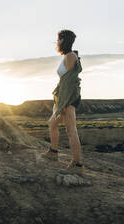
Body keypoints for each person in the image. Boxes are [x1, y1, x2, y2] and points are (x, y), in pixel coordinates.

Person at [41, 29, 84, 176]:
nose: (57, 42)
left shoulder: (70, 56)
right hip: (63, 97)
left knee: (71, 130)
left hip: (69, 98)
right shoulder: (68, 56)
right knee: (52, 123)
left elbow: (70, 82)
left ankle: (77, 164)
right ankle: (53, 152)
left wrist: (64, 104)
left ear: (63, 41)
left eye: (58, 39)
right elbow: (65, 79)